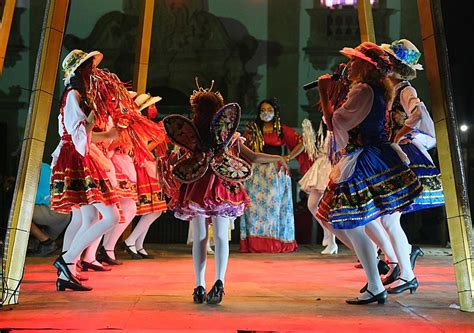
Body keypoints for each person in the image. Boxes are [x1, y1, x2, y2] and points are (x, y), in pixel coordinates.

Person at [315, 42, 423, 304]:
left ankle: (382, 277)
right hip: (374, 157)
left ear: (365, 67)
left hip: (363, 160)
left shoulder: (364, 89)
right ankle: (385, 272)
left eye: (355, 62)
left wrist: (323, 93)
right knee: (354, 222)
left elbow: (334, 122)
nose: (350, 65)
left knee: (352, 224)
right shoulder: (374, 89)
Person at [164, 79, 286, 304]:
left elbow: (178, 159)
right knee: (221, 236)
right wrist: (278, 157)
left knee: (200, 237)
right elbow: (253, 157)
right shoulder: (229, 135)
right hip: (223, 183)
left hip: (198, 184)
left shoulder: (193, 135)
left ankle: (199, 286)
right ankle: (219, 281)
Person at [373, 39, 444, 292]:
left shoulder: (405, 90)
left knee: (389, 218)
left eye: (388, 63)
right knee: (385, 218)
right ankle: (400, 266)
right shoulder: (389, 90)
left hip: (403, 154)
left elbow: (419, 113)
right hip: (392, 153)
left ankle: (405, 271)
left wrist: (400, 132)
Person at [50, 49, 121, 291]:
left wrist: (102, 129)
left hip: (78, 154)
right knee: (111, 216)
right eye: (89, 67)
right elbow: (78, 135)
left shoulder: (75, 95)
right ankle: (67, 260)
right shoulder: (73, 95)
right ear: (80, 71)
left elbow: (81, 134)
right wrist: (97, 121)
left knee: (86, 217)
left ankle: (67, 270)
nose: (93, 71)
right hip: (77, 158)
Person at [239, 97, 307, 253]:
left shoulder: (281, 130)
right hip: (255, 174)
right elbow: (243, 150)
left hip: (274, 173)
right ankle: (254, 244)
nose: (266, 113)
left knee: (273, 208)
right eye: (263, 110)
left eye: (269, 110)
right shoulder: (251, 130)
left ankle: (274, 243)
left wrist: (288, 158)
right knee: (253, 209)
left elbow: (302, 142)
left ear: (276, 112)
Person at [123, 93, 168, 259]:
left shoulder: (142, 124)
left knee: (154, 209)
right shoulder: (135, 125)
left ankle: (138, 244)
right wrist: (158, 140)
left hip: (147, 167)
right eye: (149, 105)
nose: (152, 108)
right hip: (142, 168)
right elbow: (141, 150)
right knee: (155, 209)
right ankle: (131, 240)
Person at [29, 162, 70, 257]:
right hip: (66, 213)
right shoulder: (46, 167)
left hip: (56, 214)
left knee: (20, 212)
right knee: (49, 238)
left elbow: (31, 199)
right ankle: (49, 243)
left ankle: (46, 243)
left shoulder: (33, 171)